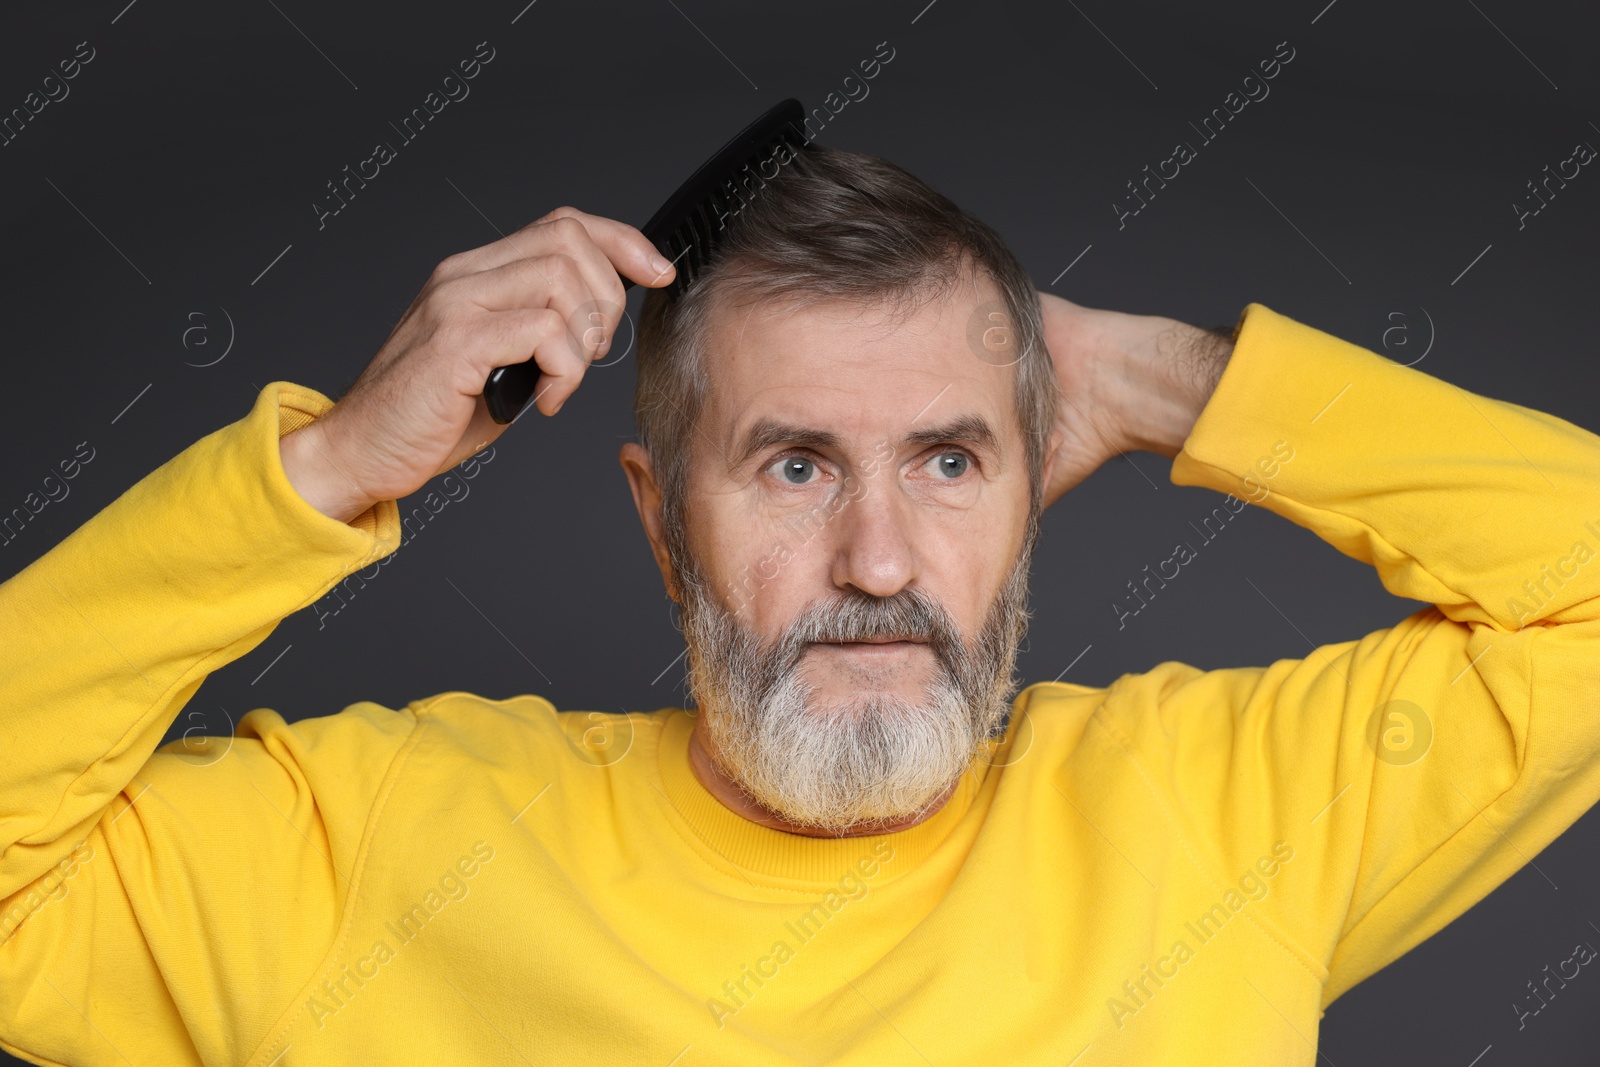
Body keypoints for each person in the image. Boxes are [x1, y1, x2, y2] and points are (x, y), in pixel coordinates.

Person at [1, 144, 1596, 1067]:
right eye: (793, 469)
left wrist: (1164, 379)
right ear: (658, 520)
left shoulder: (1224, 816)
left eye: (952, 460)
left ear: (1033, 488)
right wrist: (335, 463)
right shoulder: (370, 852)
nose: (882, 561)